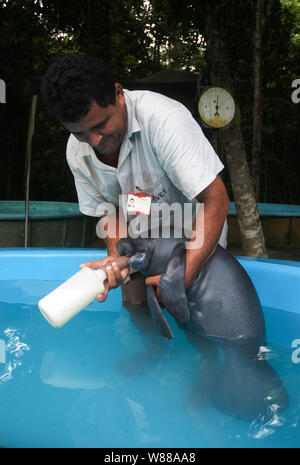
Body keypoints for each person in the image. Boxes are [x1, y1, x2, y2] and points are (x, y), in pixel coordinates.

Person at [41, 54, 229, 309]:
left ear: (118, 94)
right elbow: (111, 211)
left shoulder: (164, 120)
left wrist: (182, 277)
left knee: (199, 315)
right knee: (136, 306)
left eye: (101, 124)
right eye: (80, 132)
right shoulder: (77, 151)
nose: (95, 140)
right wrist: (117, 260)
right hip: (139, 246)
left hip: (195, 238)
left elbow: (215, 198)